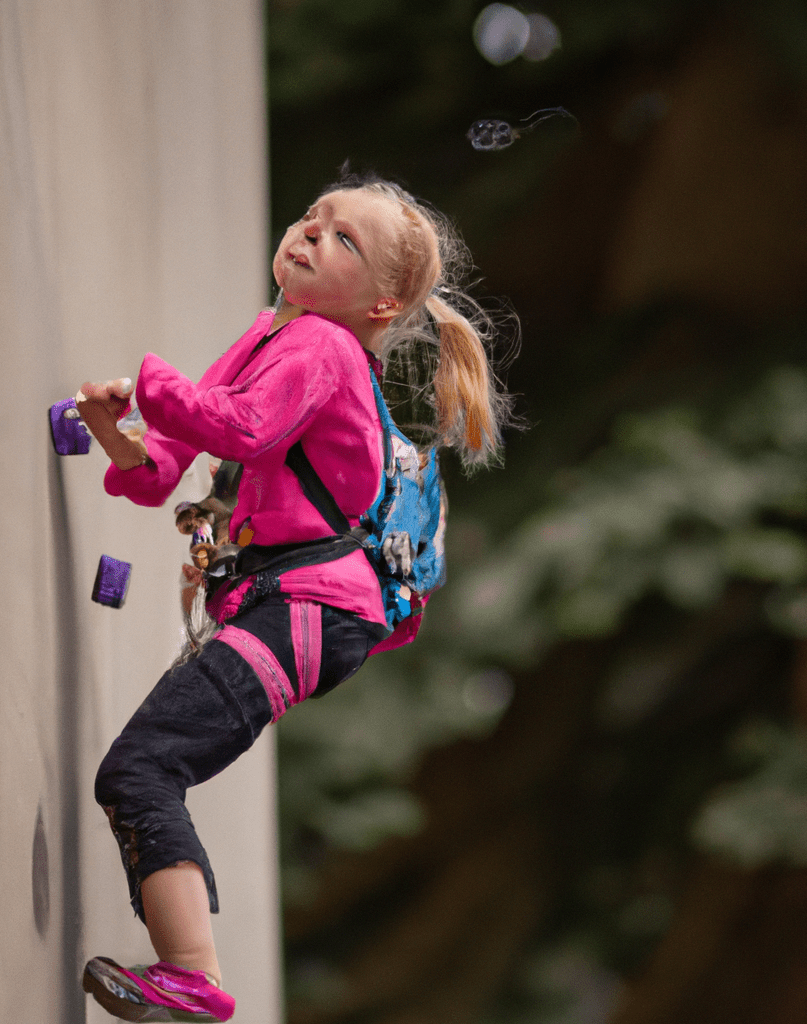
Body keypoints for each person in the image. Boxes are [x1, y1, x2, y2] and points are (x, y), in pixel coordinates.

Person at [77, 167, 513, 1023]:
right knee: (142, 768)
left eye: (343, 238)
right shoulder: (270, 334)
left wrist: (153, 380)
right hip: (294, 607)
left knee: (144, 765)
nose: (312, 233)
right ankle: (188, 974)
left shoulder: (324, 349)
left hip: (314, 608)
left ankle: (192, 978)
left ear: (381, 305)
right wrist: (114, 431)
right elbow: (174, 459)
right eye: (314, 218)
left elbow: (234, 427)